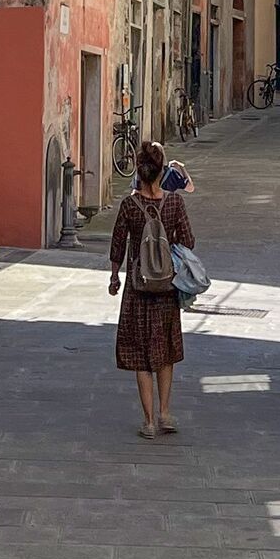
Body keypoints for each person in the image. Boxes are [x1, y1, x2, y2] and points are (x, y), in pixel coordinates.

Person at [108, 140, 196, 437]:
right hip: (167, 287)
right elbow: (189, 240)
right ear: (161, 172)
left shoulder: (129, 205)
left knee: (140, 353)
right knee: (165, 351)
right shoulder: (174, 203)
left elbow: (117, 244)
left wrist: (114, 277)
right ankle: (165, 413)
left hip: (137, 287)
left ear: (139, 171)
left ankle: (147, 421)